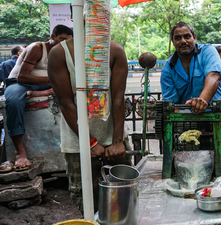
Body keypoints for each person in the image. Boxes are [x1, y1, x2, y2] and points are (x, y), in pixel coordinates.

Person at [48, 37, 130, 212]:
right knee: (87, 201)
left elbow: (118, 99)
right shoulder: (59, 53)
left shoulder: (115, 50)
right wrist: (91, 142)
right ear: (74, 13)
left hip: (114, 136)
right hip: (78, 143)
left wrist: (117, 141)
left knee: (124, 199)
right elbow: (65, 103)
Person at [4, 25, 73, 171]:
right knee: (14, 101)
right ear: (53, 37)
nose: (64, 43)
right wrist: (53, 81)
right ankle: (20, 152)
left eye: (68, 41)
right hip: (19, 83)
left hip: (42, 85)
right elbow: (22, 77)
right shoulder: (37, 47)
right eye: (62, 39)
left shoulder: (65, 52)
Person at [160, 22, 221, 113]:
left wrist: (202, 101)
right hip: (185, 120)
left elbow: (213, 76)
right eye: (178, 38)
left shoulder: (207, 51)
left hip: (215, 114)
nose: (183, 41)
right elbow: (171, 105)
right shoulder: (167, 69)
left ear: (194, 38)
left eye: (187, 36)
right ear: (173, 41)